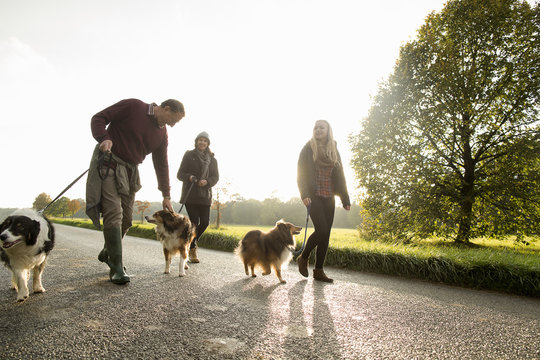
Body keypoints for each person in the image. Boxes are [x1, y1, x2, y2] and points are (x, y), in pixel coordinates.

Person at [86, 98, 185, 284]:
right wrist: (104, 138)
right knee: (113, 212)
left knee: (127, 219)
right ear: (166, 108)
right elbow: (98, 118)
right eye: (173, 120)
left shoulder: (162, 134)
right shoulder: (134, 106)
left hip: (130, 172)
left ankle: (108, 252)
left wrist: (166, 194)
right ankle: (116, 267)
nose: (172, 125)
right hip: (109, 163)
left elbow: (161, 164)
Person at [296, 120, 350, 283]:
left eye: (322, 127)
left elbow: (340, 175)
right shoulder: (307, 149)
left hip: (329, 196)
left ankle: (319, 271)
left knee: (326, 235)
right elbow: (300, 173)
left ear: (328, 130)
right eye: (315, 128)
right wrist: (304, 193)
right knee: (321, 230)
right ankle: (303, 257)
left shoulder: (333, 149)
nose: (318, 130)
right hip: (313, 195)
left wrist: (345, 197)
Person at [177, 131, 219, 263]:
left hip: (205, 195)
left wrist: (207, 182)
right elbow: (180, 174)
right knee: (194, 222)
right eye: (200, 140)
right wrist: (190, 177)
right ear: (196, 142)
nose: (202, 142)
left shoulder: (213, 160)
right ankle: (193, 250)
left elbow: (215, 177)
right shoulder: (189, 155)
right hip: (191, 195)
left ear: (208, 144)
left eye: (205, 141)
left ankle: (189, 241)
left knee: (205, 222)